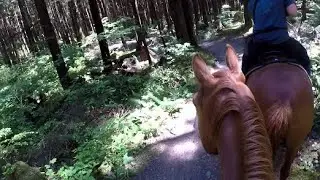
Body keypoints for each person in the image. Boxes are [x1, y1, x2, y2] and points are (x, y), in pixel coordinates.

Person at [242, 0, 311, 76]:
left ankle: (244, 84)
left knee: (246, 64)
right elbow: (293, 12)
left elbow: (255, 13)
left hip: (259, 41)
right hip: (281, 40)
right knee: (303, 56)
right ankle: (308, 82)